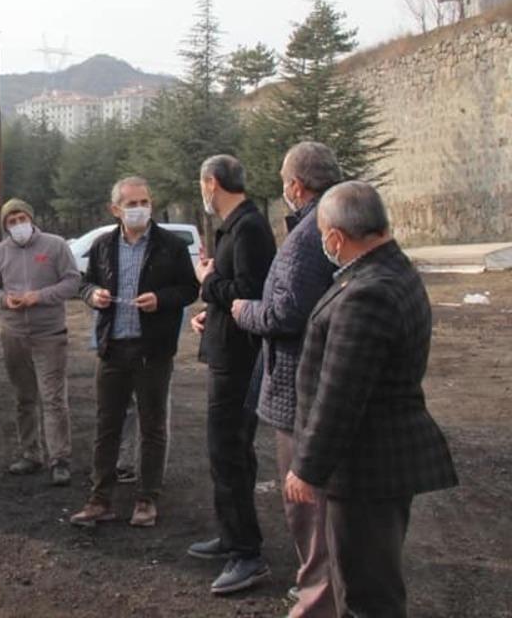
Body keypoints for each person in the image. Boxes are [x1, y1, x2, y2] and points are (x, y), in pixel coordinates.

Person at [285, 181, 457, 617]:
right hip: (374, 463)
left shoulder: (367, 292)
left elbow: (341, 394)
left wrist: (307, 467)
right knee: (364, 585)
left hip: (367, 468)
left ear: (336, 237)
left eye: (324, 231)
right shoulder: (388, 270)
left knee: (366, 594)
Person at [229, 142, 341, 616]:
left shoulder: (307, 236)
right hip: (313, 379)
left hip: (297, 386)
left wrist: (242, 310)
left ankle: (319, 595)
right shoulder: (329, 225)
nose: (282, 187)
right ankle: (324, 586)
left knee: (305, 499)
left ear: (296, 185)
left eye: (283, 179)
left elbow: (286, 312)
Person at [69, 177, 198, 528]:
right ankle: (100, 499)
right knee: (106, 425)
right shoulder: (103, 245)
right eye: (131, 203)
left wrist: (161, 299)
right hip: (113, 347)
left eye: (144, 201)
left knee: (152, 426)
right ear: (116, 210)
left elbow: (189, 288)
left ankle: (147, 499)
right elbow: (84, 282)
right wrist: (92, 294)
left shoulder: (169, 246)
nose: (140, 208)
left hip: (152, 350)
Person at [189, 155, 276, 595]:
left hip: (240, 362)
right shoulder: (233, 226)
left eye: (201, 185)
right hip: (226, 351)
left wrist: (206, 281)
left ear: (211, 183)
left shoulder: (249, 228)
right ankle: (231, 536)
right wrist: (210, 313)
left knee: (229, 450)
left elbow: (250, 296)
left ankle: (247, 554)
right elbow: (231, 298)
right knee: (227, 451)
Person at [0, 198, 81, 486]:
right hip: (14, 334)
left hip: (49, 333)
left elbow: (72, 281)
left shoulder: (55, 246)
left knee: (53, 398)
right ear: (5, 226)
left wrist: (40, 296)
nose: (17, 225)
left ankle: (60, 458)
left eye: (21, 218)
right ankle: (30, 453)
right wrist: (4, 300)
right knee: (24, 397)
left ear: (32, 219)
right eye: (11, 222)